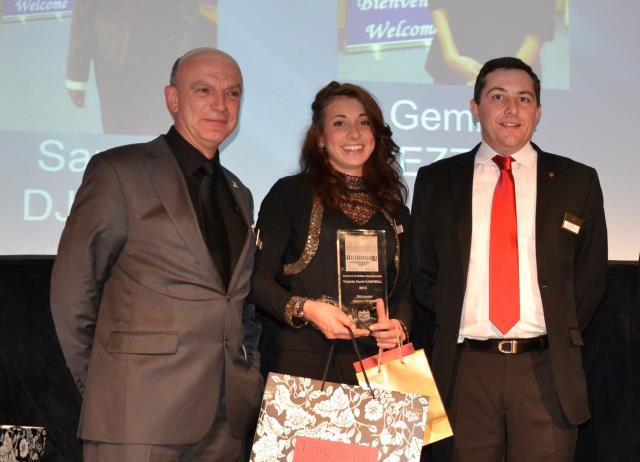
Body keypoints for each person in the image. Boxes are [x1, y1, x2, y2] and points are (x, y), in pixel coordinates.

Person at [51, 48, 262, 461]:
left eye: (232, 93)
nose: (220, 104)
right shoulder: (120, 171)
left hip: (225, 424)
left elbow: (239, 303)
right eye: (203, 90)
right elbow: (72, 292)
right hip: (137, 417)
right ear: (173, 98)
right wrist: (106, 388)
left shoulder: (240, 193)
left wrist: (247, 371)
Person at [412, 57, 607, 461]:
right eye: (497, 97)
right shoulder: (437, 180)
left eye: (524, 98)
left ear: (538, 112)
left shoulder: (577, 180)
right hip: (465, 369)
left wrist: (555, 329)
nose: (511, 109)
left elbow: (589, 279)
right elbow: (423, 273)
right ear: (475, 108)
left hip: (546, 371)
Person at [250, 81, 412, 384]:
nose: (354, 133)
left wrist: (400, 327)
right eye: (340, 123)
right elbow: (257, 281)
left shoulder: (394, 209)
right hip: (305, 359)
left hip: (380, 366)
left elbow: (404, 293)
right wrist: (308, 309)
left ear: (376, 134)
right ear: (320, 139)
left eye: (364, 123)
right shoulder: (290, 194)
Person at [65, 1, 218, 135]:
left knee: (157, 132)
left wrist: (187, 66)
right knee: (116, 133)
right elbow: (84, 14)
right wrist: (76, 76)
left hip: (161, 57)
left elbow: (187, 11)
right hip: (111, 58)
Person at [425, 0, 556, 85]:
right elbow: (438, 3)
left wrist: (509, 75)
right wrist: (451, 56)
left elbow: (541, 20)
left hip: (516, 64)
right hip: (455, 62)